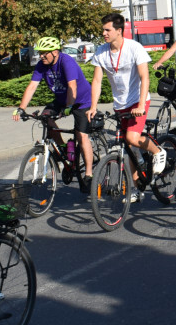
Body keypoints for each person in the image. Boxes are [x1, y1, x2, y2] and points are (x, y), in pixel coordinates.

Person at [87, 13, 166, 202]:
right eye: (103, 29)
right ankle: (136, 188)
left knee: (132, 138)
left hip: (138, 100)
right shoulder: (101, 51)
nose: (104, 33)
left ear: (119, 31)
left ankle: (158, 151)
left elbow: (144, 77)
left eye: (108, 30)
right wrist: (93, 106)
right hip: (119, 103)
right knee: (129, 147)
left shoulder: (134, 48)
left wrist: (140, 104)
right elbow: (97, 81)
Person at [13, 37, 95, 192]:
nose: (41, 56)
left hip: (81, 101)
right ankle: (63, 149)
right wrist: (21, 108)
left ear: (55, 52)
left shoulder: (66, 62)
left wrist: (69, 107)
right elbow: (32, 87)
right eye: (40, 53)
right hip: (61, 99)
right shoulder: (41, 65)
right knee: (45, 117)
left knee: (81, 135)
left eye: (45, 53)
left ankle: (89, 175)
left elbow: (72, 86)